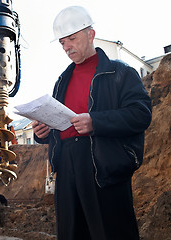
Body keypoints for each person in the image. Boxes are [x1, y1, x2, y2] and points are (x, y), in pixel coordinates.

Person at [32, 6, 152, 240]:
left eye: (72, 39)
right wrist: (43, 132)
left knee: (109, 232)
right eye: (62, 42)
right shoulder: (62, 81)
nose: (67, 47)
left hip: (102, 166)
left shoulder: (120, 72)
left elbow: (140, 114)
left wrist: (95, 121)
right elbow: (59, 123)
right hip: (66, 166)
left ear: (91, 35)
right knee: (72, 233)